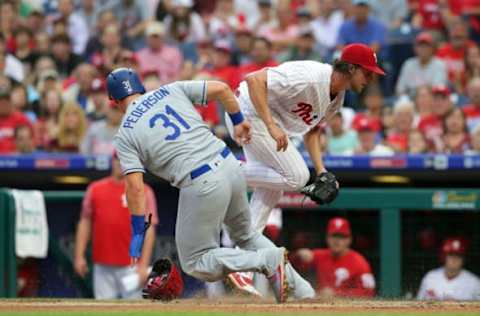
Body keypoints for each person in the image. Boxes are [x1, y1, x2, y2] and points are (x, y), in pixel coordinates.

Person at [107, 68, 315, 303]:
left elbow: (135, 188)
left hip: (201, 180)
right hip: (230, 164)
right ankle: (302, 291)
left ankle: (265, 262)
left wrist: (137, 229)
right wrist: (238, 120)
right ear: (140, 87)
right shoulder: (170, 89)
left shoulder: (125, 133)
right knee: (246, 234)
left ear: (113, 101)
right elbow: (223, 88)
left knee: (196, 261)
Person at [228, 43, 384, 234]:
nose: (370, 79)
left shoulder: (337, 99)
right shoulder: (309, 76)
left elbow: (312, 131)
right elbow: (254, 80)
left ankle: (246, 244)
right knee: (297, 177)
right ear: (351, 68)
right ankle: (222, 171)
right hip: (247, 112)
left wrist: (321, 171)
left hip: (264, 120)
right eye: (367, 73)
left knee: (272, 185)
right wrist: (271, 125)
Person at [74, 152, 158, 299]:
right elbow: (85, 222)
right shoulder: (95, 188)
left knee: (134, 311)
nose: (121, 163)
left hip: (132, 266)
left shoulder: (144, 191)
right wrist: (79, 255)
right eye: (118, 159)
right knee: (103, 310)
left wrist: (144, 264)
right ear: (112, 161)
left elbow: (149, 229)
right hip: (103, 264)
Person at [295, 217, 376, 298]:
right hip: (321, 307)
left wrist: (337, 294)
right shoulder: (319, 256)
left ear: (349, 239)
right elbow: (290, 266)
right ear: (327, 238)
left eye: (342, 237)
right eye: (334, 236)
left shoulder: (360, 262)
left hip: (348, 308)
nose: (337, 240)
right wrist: (298, 255)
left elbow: (369, 292)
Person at [395, 32, 448, 97]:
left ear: (433, 48)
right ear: (415, 48)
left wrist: (414, 90)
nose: (423, 49)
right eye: (420, 46)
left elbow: (439, 89)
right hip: (411, 100)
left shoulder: (439, 64)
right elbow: (400, 89)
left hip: (432, 100)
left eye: (426, 46)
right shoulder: (408, 64)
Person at [0, 87, 31, 153]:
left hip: (17, 158)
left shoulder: (21, 118)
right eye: (1, 103)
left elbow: (30, 139)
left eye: (6, 103)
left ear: (11, 103)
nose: (3, 106)